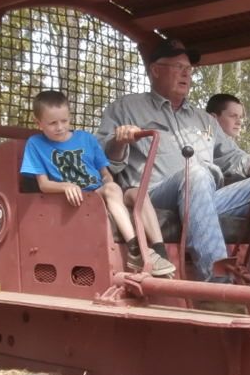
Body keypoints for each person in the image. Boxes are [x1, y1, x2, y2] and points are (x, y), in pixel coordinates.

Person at [98, 40, 250, 284]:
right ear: (156, 70)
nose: (187, 74)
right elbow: (102, 158)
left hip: (204, 197)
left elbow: (232, 158)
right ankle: (218, 285)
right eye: (179, 67)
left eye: (189, 69)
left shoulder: (203, 119)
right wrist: (119, 141)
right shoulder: (126, 108)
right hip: (156, 197)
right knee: (196, 173)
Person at [22, 90, 176, 276]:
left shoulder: (86, 139)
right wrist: (66, 186)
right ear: (38, 123)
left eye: (64, 121)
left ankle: (160, 252)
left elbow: (105, 173)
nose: (60, 127)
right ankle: (135, 250)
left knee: (136, 193)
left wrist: (110, 185)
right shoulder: (35, 144)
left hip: (101, 190)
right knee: (112, 190)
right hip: (83, 197)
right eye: (53, 123)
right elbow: (43, 185)